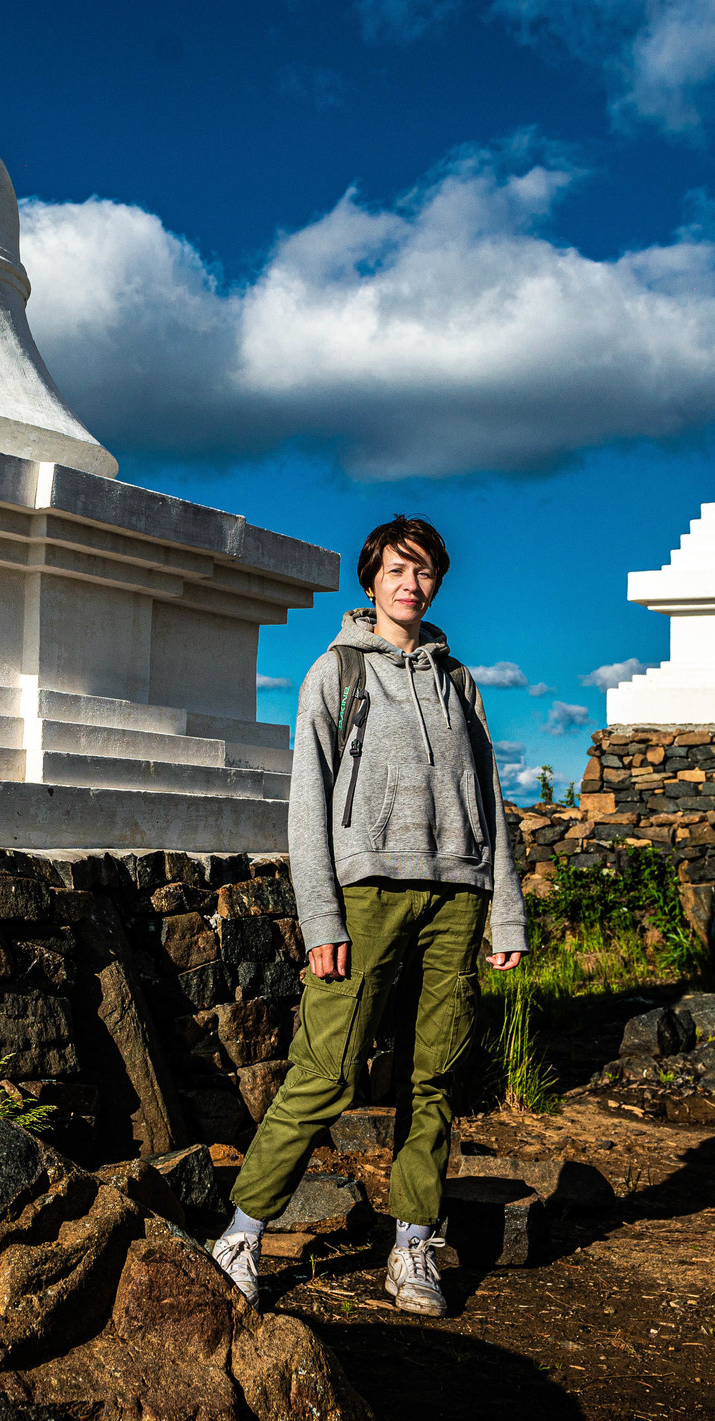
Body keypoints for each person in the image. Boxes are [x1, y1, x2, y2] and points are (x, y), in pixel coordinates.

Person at [207, 514, 524, 1316]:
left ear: (436, 583)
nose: (410, 585)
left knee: (435, 1074)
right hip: (366, 897)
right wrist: (322, 921)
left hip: (457, 895)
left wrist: (507, 918)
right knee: (329, 1069)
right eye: (395, 571)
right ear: (371, 581)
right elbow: (306, 805)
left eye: (422, 573)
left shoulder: (459, 683)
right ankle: (242, 1232)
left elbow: (491, 803)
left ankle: (414, 1244)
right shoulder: (336, 673)